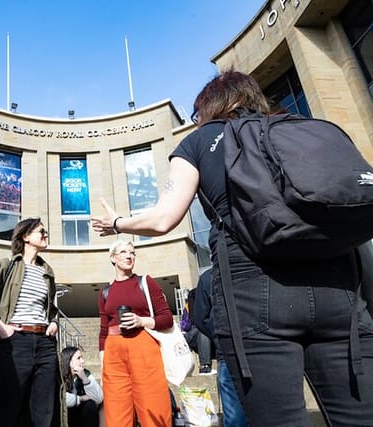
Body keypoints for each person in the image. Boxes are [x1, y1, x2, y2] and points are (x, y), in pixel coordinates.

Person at [90, 70, 373, 427]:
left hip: (255, 293)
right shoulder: (299, 126)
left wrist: (117, 224)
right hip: (340, 289)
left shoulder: (201, 140)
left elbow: (163, 219)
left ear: (208, 109)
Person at [0, 217, 63, 427]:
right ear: (25, 236)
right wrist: (1, 327)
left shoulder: (47, 272)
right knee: (7, 406)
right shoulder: (7, 265)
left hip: (45, 344)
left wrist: (53, 322)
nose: (45, 235)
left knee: (42, 410)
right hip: (15, 342)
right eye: (41, 231)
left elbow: (51, 310)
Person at [98, 239, 174, 427]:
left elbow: (167, 318)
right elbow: (103, 330)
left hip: (143, 345)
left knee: (153, 408)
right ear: (113, 258)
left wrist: (141, 321)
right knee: (116, 414)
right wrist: (103, 362)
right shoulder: (105, 292)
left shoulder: (145, 282)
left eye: (132, 252)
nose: (129, 256)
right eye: (123, 252)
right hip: (113, 352)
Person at [193, 269, 247, 427]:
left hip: (227, 349)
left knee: (235, 414)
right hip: (255, 348)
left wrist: (219, 334)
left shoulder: (208, 277)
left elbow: (201, 318)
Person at [61, 346, 103, 427]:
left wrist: (84, 379)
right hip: (66, 416)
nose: (82, 361)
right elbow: (61, 399)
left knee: (90, 405)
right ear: (69, 362)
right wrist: (81, 398)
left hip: (82, 417)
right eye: (78, 358)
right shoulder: (60, 376)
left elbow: (99, 398)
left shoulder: (85, 373)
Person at [180, 289, 216, 376]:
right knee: (202, 329)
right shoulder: (188, 307)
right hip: (193, 336)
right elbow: (185, 326)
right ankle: (204, 366)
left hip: (208, 336)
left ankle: (205, 366)